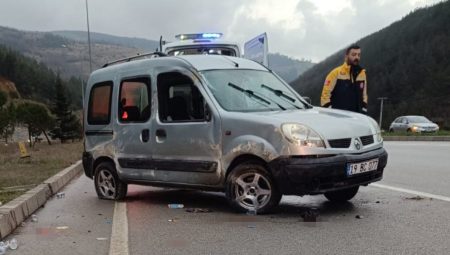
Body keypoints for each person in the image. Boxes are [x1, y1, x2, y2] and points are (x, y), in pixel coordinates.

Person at [320, 44, 368, 114]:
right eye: (354, 55)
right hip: (338, 117)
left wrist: (364, 110)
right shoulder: (335, 73)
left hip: (356, 117)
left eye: (358, 55)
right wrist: (330, 113)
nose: (356, 57)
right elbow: (325, 95)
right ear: (346, 56)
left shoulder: (362, 74)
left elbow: (364, 95)